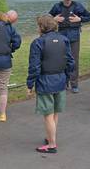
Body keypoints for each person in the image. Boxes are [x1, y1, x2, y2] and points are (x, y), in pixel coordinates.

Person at [26, 15, 74, 154]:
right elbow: (70, 62)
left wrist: (30, 84)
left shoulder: (38, 43)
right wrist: (67, 77)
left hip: (45, 81)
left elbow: (34, 66)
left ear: (41, 27)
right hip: (60, 80)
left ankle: (52, 144)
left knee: (48, 113)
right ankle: (50, 137)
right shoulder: (64, 40)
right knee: (55, 113)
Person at [49, 0, 90, 93]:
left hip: (74, 37)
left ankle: (74, 84)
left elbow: (89, 16)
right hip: (60, 37)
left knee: (74, 60)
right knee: (61, 60)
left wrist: (80, 19)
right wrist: (54, 19)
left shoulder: (78, 6)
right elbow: (47, 18)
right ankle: (64, 82)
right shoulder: (57, 7)